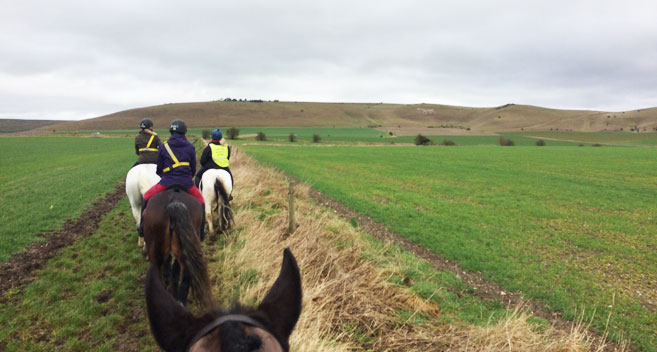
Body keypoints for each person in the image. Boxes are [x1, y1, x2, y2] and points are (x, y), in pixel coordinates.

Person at [139, 119, 206, 239]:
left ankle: (141, 228)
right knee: (201, 201)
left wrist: (164, 176)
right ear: (184, 133)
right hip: (186, 183)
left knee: (146, 197)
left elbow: (159, 168)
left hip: (166, 182)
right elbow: (193, 168)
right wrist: (187, 177)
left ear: (171, 133)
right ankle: (201, 231)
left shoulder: (164, 147)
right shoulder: (190, 147)